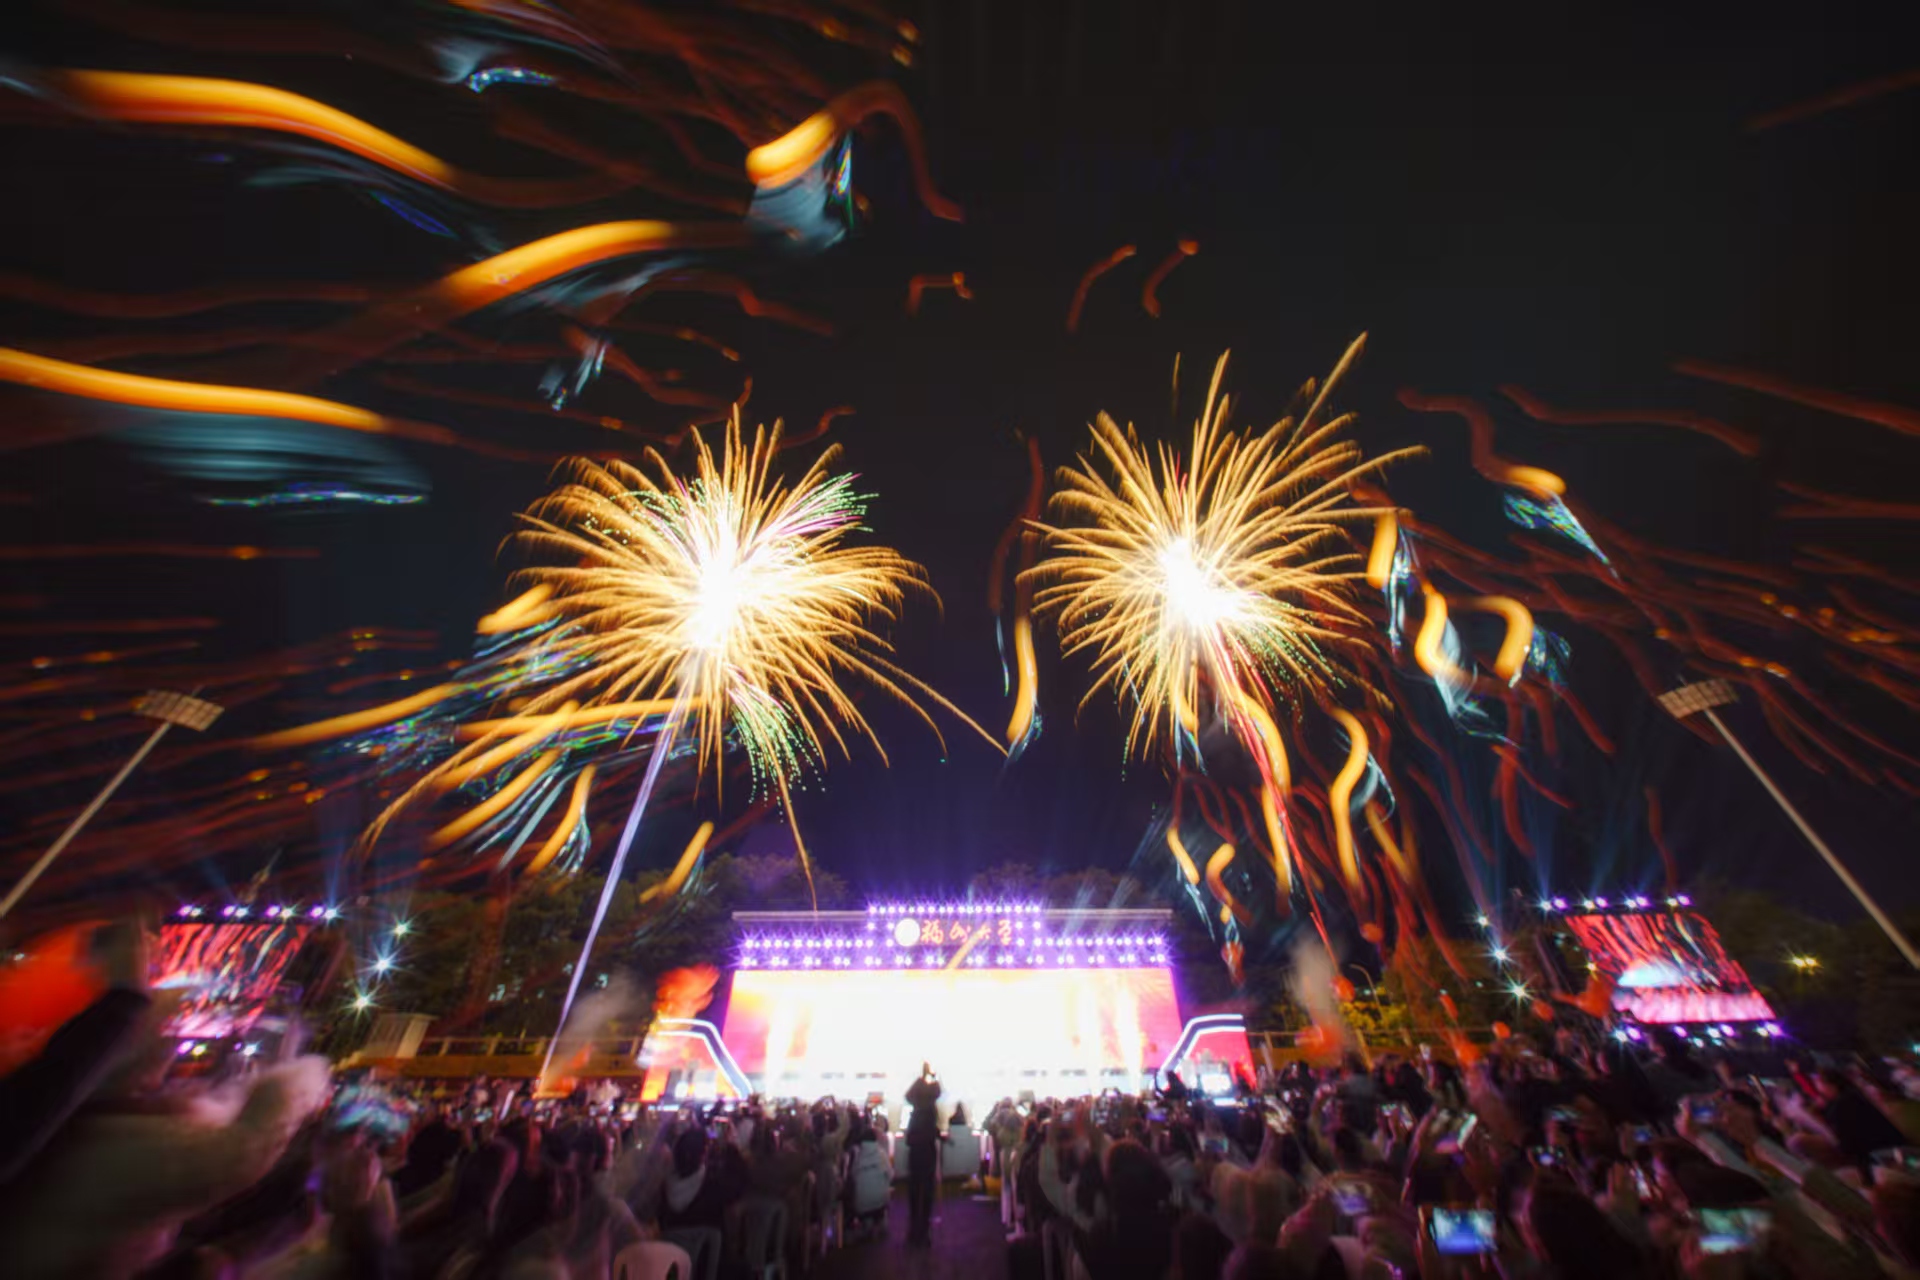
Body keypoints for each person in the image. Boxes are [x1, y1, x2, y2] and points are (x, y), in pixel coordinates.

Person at [904, 1061, 942, 1246]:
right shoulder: (931, 1107)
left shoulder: (916, 1109)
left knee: (914, 1191)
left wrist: (921, 1077)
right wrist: (931, 1076)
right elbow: (937, 1089)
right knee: (927, 1192)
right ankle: (924, 1232)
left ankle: (913, 1230)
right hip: (928, 1151)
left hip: (915, 1151)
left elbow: (908, 1095)